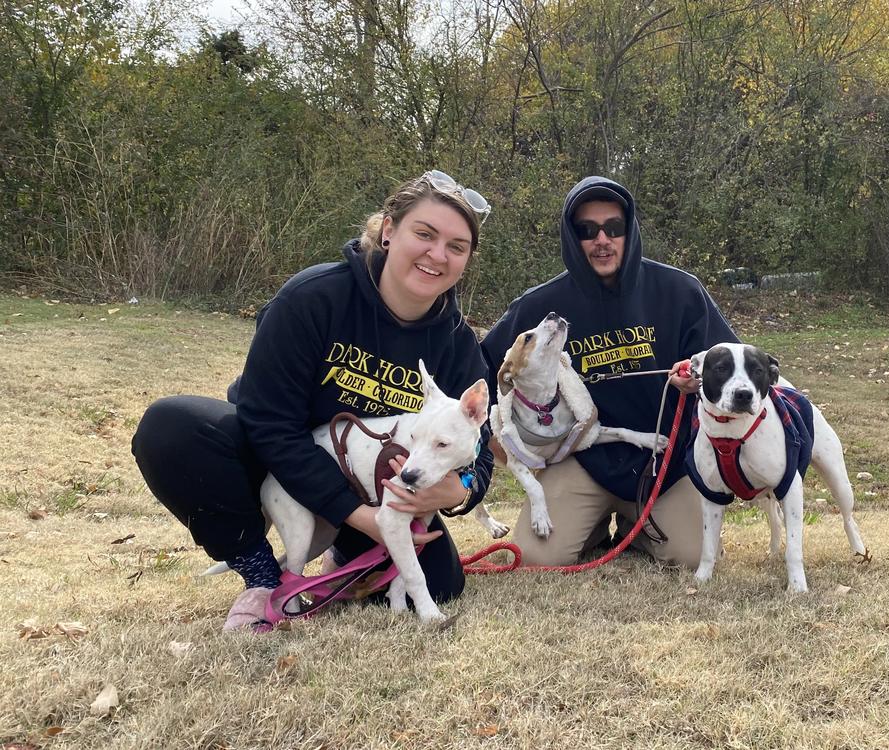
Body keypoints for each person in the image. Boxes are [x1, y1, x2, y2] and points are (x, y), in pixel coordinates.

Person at [132, 171, 495, 630]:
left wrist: (461, 490)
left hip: (373, 482)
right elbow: (268, 423)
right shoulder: (313, 298)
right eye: (424, 234)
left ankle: (342, 547)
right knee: (171, 427)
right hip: (273, 461)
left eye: (456, 246)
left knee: (441, 584)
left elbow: (479, 451)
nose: (437, 254)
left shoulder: (459, 344)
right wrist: (360, 517)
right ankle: (263, 574)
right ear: (388, 230)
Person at [481, 176, 738, 568]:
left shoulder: (680, 290)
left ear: (629, 230)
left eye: (613, 228)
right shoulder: (540, 307)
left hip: (662, 461)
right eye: (588, 230)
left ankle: (640, 527)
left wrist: (699, 382)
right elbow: (481, 371)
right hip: (580, 458)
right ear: (572, 237)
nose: (602, 239)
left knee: (691, 557)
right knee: (534, 557)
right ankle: (595, 524)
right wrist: (497, 437)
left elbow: (730, 363)